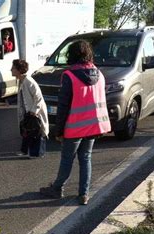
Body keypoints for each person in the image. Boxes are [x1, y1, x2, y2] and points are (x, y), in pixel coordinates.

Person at [39, 40, 111, 205]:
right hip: (93, 126)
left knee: (67, 159)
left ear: (72, 55)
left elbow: (63, 105)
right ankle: (83, 194)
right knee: (86, 158)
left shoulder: (70, 76)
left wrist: (58, 130)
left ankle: (57, 188)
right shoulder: (99, 75)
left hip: (74, 127)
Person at [12, 59, 49, 158]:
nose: (11, 70)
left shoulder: (28, 81)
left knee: (35, 132)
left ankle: (37, 153)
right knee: (27, 131)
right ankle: (25, 151)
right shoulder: (21, 80)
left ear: (19, 70)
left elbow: (39, 98)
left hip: (33, 112)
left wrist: (34, 111)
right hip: (27, 111)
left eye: (13, 68)